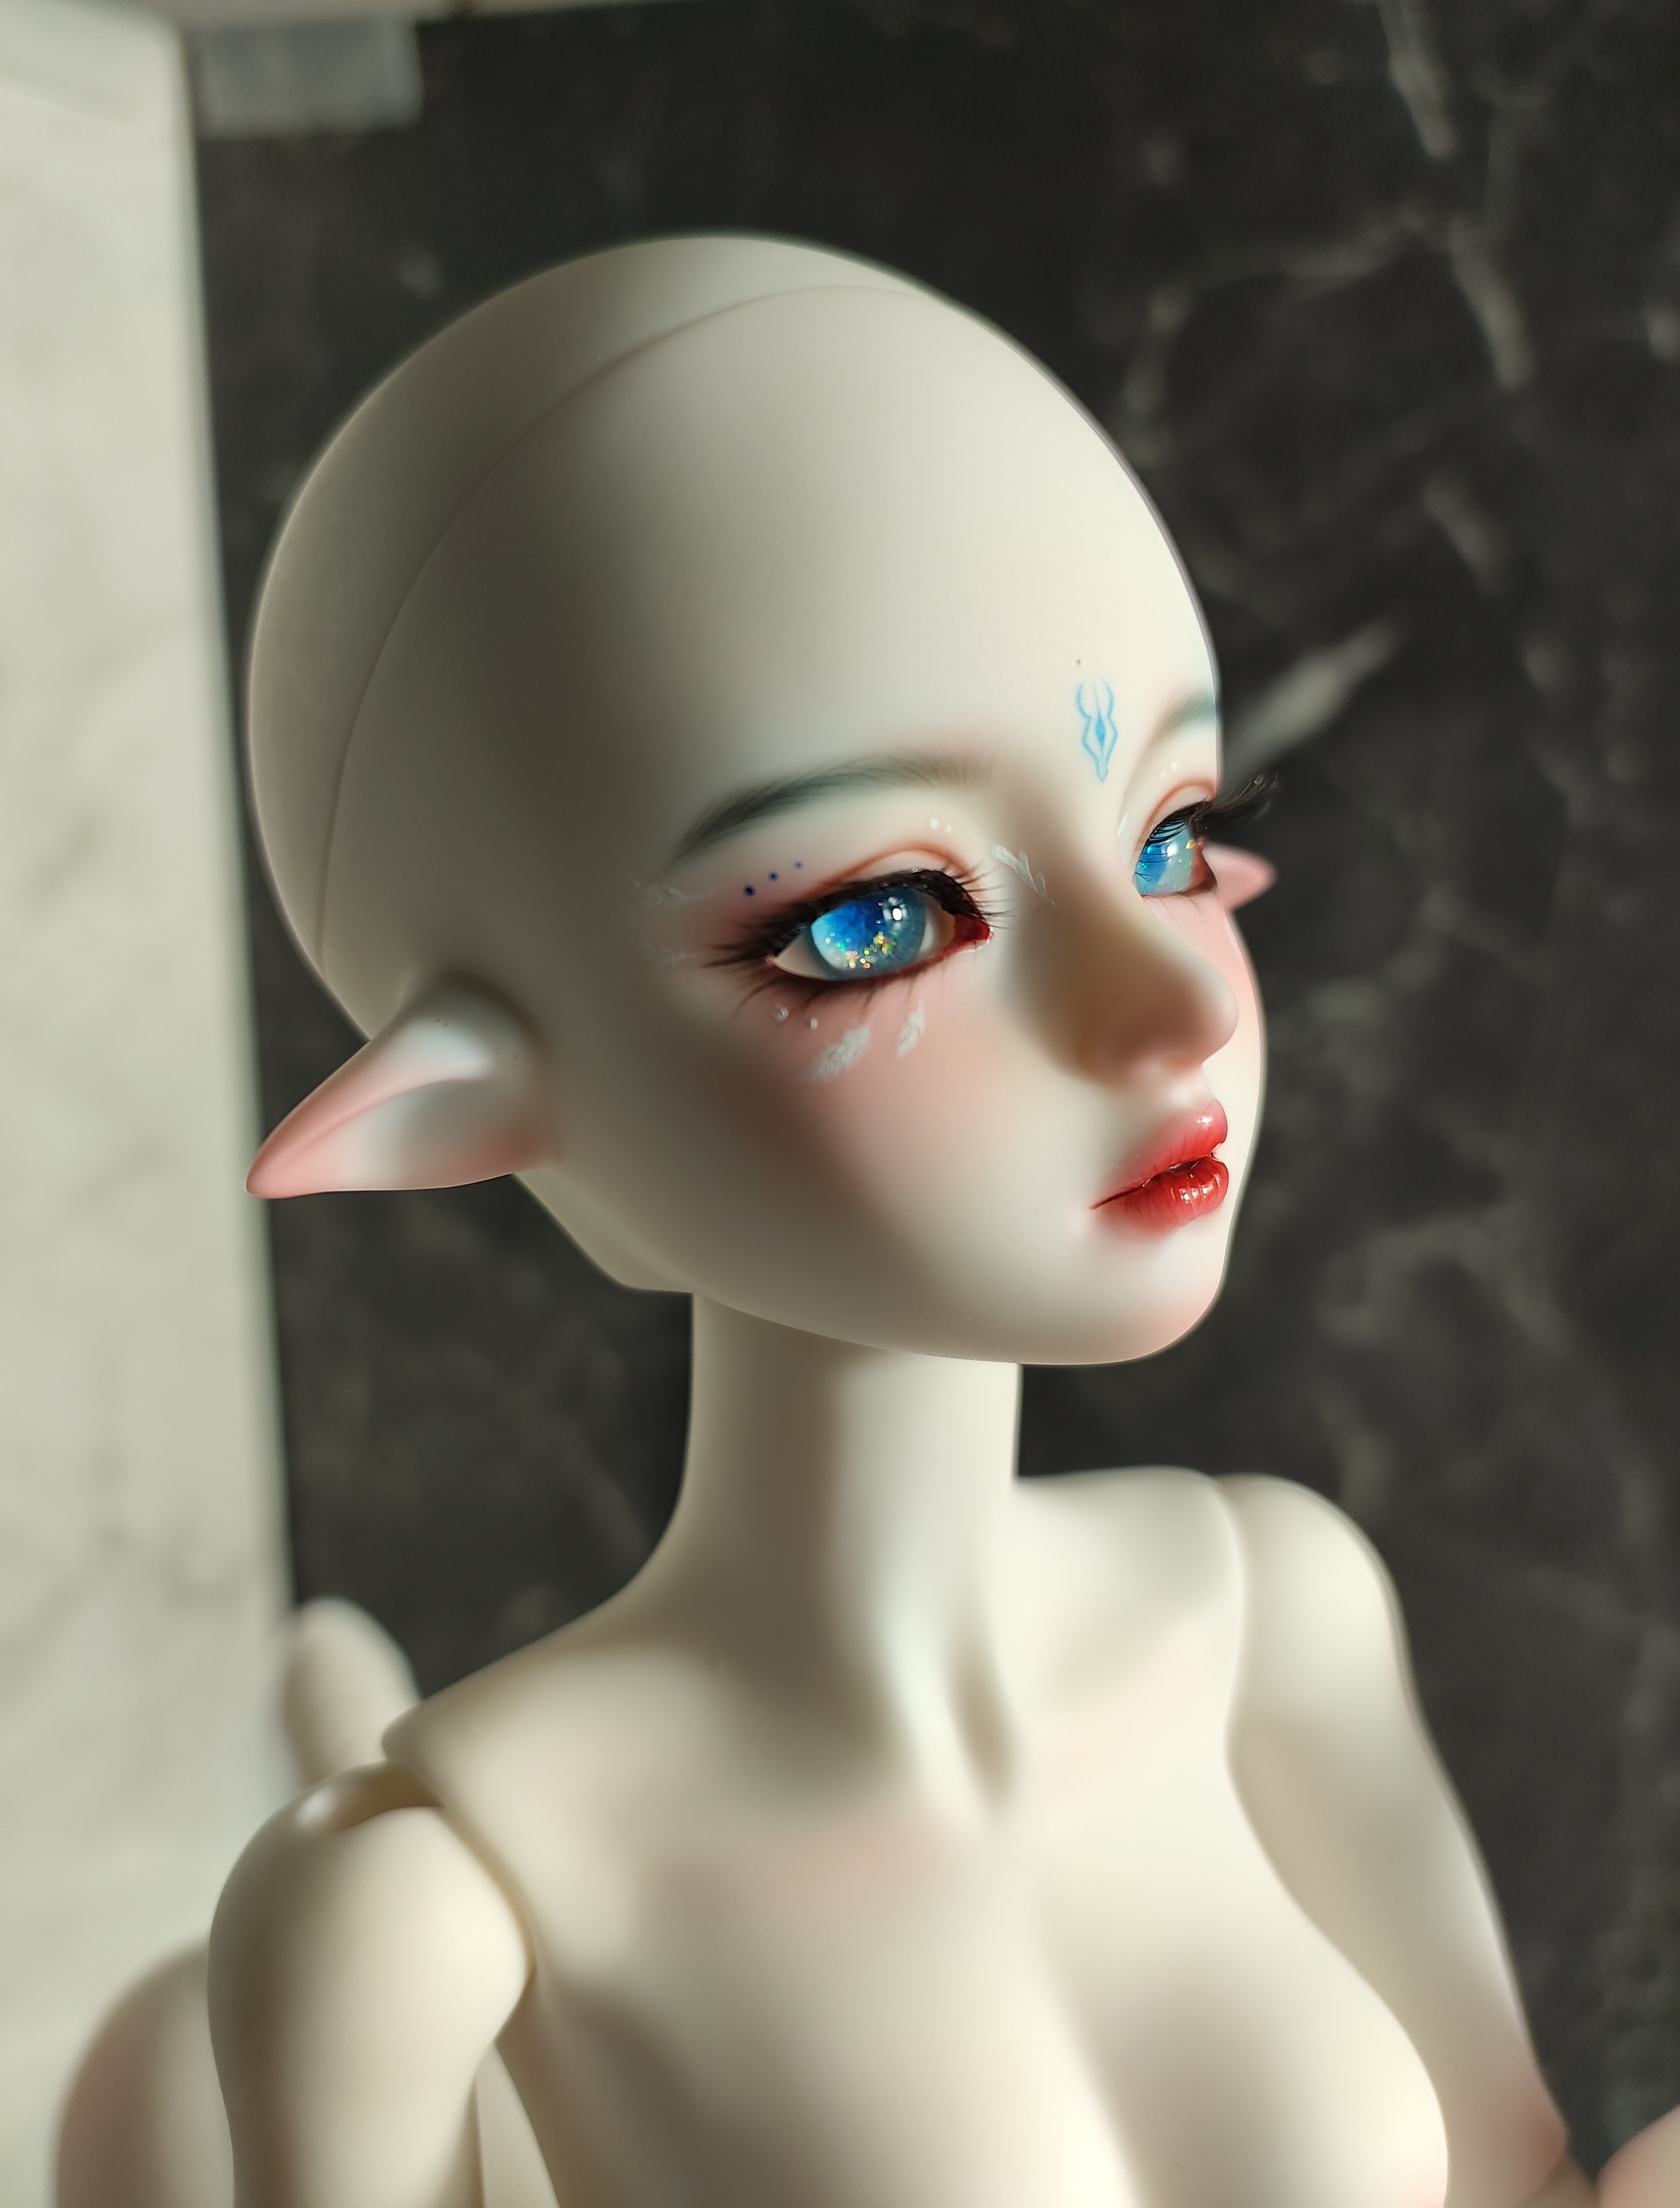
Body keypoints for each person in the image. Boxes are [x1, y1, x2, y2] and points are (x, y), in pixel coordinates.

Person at [120, 237, 1680, 2207]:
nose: (1176, 1004)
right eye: (876, 921)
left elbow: (1515, 2182)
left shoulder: (1269, 1619)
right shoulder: (427, 1916)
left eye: (1172, 839)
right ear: (476, 1100)